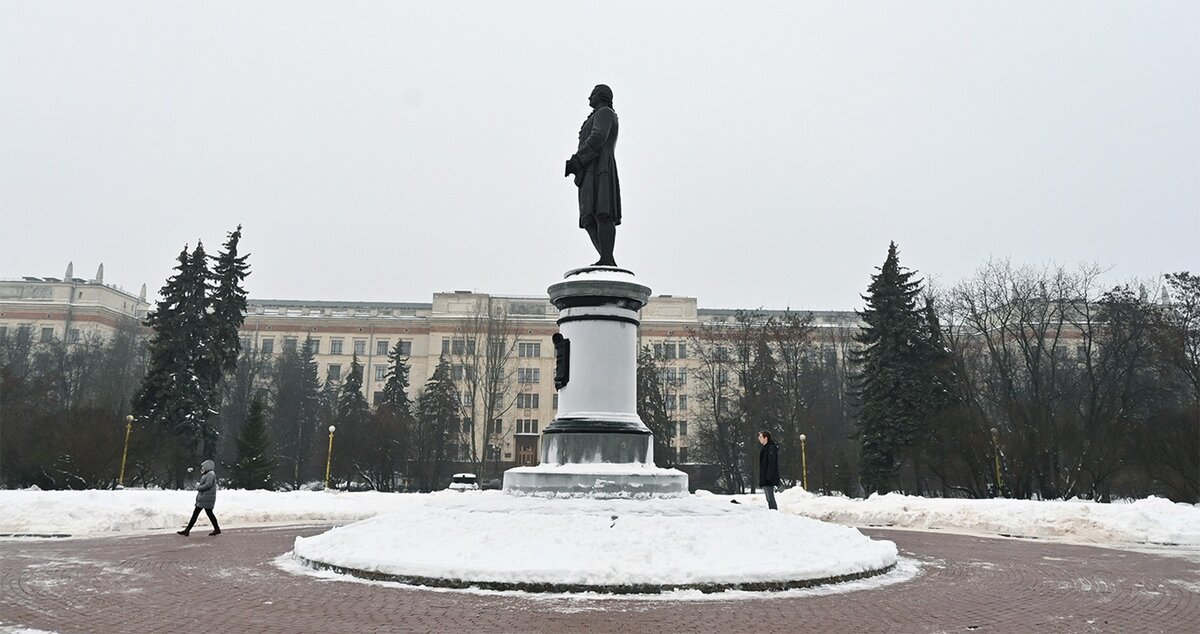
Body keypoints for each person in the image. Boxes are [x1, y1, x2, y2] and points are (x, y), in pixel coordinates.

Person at [564, 84, 622, 267]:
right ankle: (606, 259)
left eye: (592, 94)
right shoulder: (595, 115)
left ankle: (607, 258)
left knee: (603, 213)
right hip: (588, 171)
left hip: (600, 167)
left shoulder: (605, 113)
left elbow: (598, 137)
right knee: (588, 217)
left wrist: (578, 159)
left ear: (602, 96)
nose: (589, 98)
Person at [177, 459, 221, 536]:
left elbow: (208, 485)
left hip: (206, 498)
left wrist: (199, 487)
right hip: (204, 498)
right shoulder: (207, 474)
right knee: (208, 514)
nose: (202, 468)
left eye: (203, 467)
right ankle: (217, 529)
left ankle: (187, 530)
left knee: (197, 514)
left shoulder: (210, 474)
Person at [758, 431, 781, 510]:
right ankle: (772, 512)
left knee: (770, 498)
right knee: (768, 498)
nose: (759, 439)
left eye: (761, 437)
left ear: (766, 438)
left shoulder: (771, 448)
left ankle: (774, 512)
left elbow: (772, 463)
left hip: (769, 478)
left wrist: (769, 477)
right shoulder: (765, 448)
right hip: (765, 477)